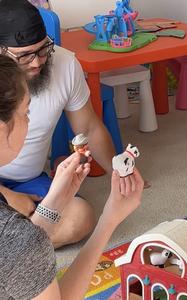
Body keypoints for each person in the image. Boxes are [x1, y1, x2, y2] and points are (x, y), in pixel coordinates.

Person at [0, 54, 144, 299]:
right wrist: (109, 220)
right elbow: (18, 250)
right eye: (25, 113)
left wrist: (55, 199)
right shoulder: (17, 239)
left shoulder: (16, 239)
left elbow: (13, 259)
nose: (29, 120)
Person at [0, 0, 116, 247]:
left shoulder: (65, 64)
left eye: (43, 50)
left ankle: (18, 246)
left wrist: (118, 171)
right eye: (24, 56)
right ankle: (22, 244)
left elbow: (89, 127)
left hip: (30, 182)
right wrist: (8, 197)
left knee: (80, 217)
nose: (36, 62)